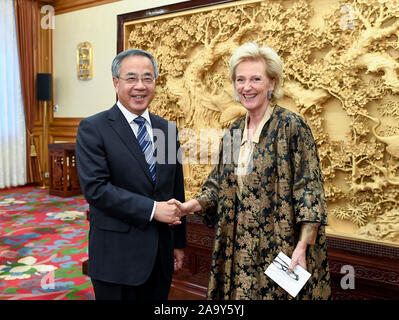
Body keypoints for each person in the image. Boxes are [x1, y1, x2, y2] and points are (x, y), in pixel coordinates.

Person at [169, 42, 331, 300]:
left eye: (256, 79)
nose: (247, 87)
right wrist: (191, 206)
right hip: (237, 246)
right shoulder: (233, 132)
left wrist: (302, 247)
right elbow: (217, 186)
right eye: (240, 79)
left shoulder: (291, 126)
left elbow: (309, 189)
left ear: (272, 84)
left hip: (282, 245)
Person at [76, 49, 186, 300]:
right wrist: (152, 209)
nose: (140, 86)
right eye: (131, 78)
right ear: (116, 83)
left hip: (160, 256)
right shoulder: (94, 128)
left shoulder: (167, 129)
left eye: (148, 78)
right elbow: (97, 189)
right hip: (116, 259)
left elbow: (175, 190)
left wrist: (178, 243)